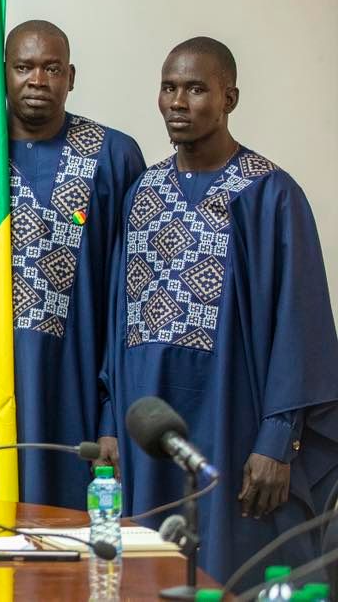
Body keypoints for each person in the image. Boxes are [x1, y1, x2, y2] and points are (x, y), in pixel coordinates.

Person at [100, 37, 338, 585]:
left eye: (196, 88)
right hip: (149, 431)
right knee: (149, 576)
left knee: (232, 576)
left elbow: (301, 326)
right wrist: (112, 421)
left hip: (233, 423)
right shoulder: (142, 193)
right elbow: (119, 317)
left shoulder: (270, 194)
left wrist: (277, 440)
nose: (178, 101)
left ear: (229, 97)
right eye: (169, 87)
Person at [2, 19, 144, 510]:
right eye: (23, 67)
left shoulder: (115, 155)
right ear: (2, 72)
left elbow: (133, 302)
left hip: (81, 390)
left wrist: (112, 418)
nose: (37, 80)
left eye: (52, 68)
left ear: (72, 76)